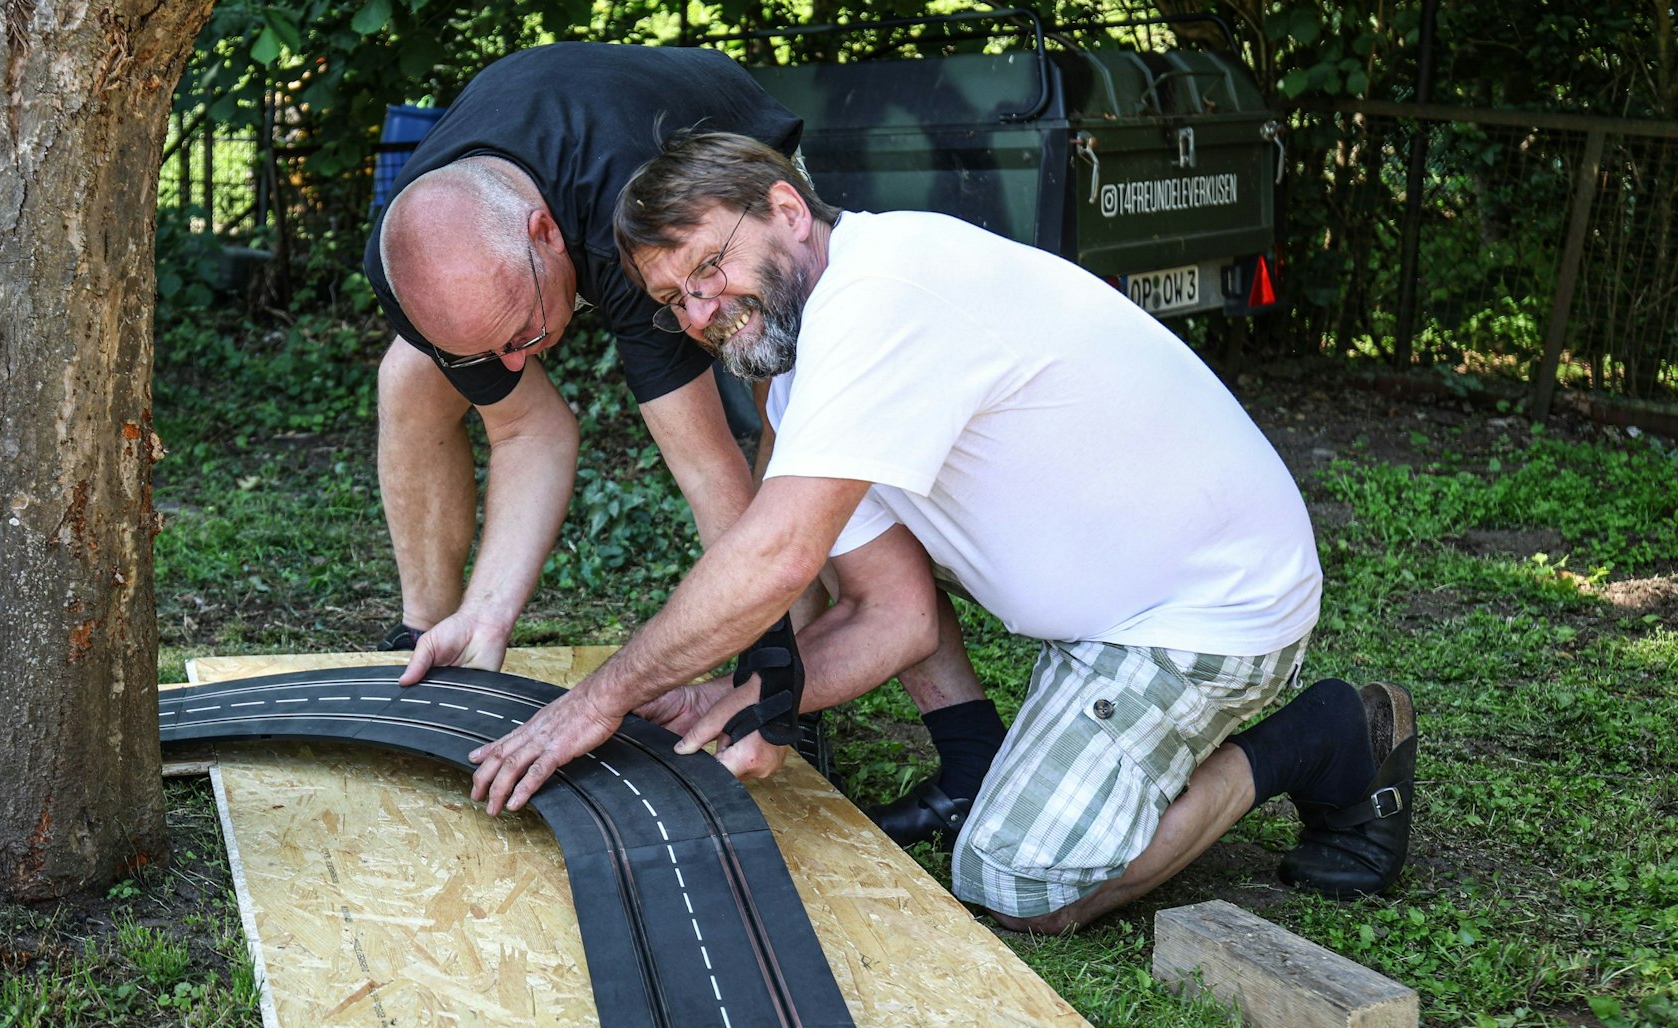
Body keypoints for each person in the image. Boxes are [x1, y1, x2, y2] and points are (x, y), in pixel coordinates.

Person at [466, 131, 1418, 934]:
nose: (704, 312)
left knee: (1021, 879)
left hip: (1208, 611)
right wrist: (746, 699)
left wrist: (600, 699)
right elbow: (892, 612)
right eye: (677, 299)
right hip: (1116, 609)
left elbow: (775, 555)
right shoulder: (809, 365)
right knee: (1004, 829)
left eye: (711, 266)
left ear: (788, 212)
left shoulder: (885, 296)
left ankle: (1324, 737)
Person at [365, 43, 797, 674]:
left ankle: (789, 663)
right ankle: (432, 632)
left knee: (782, 397)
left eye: (520, 334)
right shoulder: (397, 263)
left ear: (546, 234)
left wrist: (766, 667)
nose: (516, 366)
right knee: (409, 375)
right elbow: (527, 430)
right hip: (555, 152)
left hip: (718, 132)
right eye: (493, 350)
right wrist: (490, 612)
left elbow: (707, 471)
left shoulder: (628, 230)